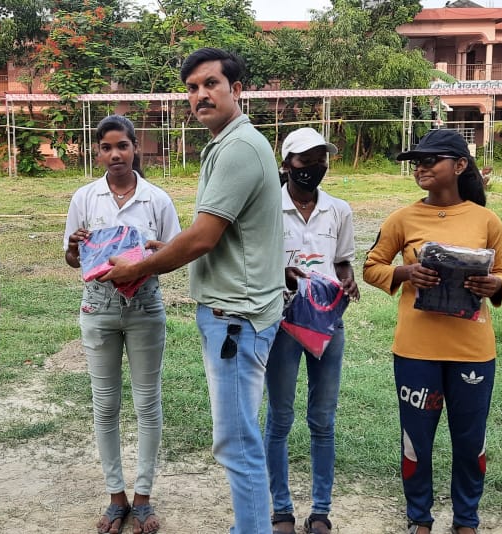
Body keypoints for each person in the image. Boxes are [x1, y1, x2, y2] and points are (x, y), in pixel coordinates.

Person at [101, 47, 285, 533]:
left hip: (236, 319)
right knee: (239, 437)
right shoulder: (228, 144)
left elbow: (203, 237)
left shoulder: (239, 147)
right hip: (235, 314)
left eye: (211, 84)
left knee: (237, 442)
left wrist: (139, 267)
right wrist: (167, 250)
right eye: (192, 88)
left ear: (236, 89)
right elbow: (221, 236)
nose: (200, 95)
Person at [362, 128, 502, 534]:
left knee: (470, 441)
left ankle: (466, 520)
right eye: (417, 162)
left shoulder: (486, 220)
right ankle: (419, 518)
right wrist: (405, 273)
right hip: (416, 351)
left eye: (430, 160)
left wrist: (494, 285)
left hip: (472, 351)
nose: (420, 168)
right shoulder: (402, 219)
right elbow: (371, 266)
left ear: (460, 165)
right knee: (417, 439)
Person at [65, 115, 181, 534]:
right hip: (98, 310)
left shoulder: (156, 200)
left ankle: (143, 496)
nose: (115, 154)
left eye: (123, 146)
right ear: (97, 152)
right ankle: (116, 496)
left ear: (135, 149)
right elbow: (72, 259)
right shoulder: (85, 198)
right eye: (106, 147)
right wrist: (75, 246)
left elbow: (173, 253)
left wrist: (156, 253)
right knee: (105, 404)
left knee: (147, 402)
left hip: (145, 308)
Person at [266, 128, 359, 534]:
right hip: (282, 324)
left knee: (323, 419)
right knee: (280, 418)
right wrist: (280, 274)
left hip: (326, 325)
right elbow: (254, 262)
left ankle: (321, 512)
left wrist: (348, 280)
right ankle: (281, 510)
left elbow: (342, 263)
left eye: (321, 159)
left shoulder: (338, 210)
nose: (315, 167)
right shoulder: (267, 207)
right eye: (306, 160)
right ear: (286, 164)